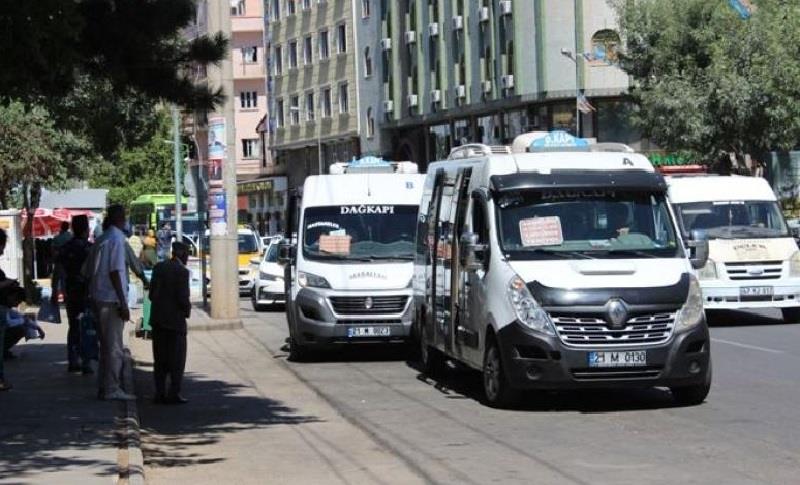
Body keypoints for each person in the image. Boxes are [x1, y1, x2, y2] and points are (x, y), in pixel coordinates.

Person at [89, 204, 136, 401]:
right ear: (121, 218)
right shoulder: (117, 239)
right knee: (115, 347)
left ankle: (104, 386)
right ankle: (112, 388)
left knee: (106, 346)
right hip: (111, 299)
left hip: (99, 297)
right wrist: (123, 303)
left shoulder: (102, 238)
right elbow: (116, 271)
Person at [149, 242, 191, 404]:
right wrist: (186, 311)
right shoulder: (182, 272)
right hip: (175, 322)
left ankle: (159, 393)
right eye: (186, 253)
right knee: (177, 360)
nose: (187, 256)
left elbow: (152, 294)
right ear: (180, 254)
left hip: (158, 320)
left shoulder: (158, 268)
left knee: (159, 359)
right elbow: (183, 298)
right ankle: (174, 393)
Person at [58, 215, 93, 374]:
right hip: (88, 292)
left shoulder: (66, 247)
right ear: (87, 229)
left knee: (73, 326)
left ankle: (73, 360)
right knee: (88, 326)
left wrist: (56, 290)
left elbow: (59, 270)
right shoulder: (91, 248)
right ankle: (86, 361)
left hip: (71, 292)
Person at [2, 287, 45, 357]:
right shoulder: (2, 308)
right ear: (11, 297)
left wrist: (38, 328)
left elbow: (20, 316)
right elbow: (8, 323)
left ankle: (3, 350)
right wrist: (24, 321)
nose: (17, 305)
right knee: (20, 329)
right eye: (18, 301)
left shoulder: (7, 308)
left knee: (22, 324)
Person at [50, 221, 73, 301]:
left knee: (56, 280)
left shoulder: (57, 238)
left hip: (59, 261)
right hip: (69, 263)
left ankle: (54, 296)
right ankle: (66, 296)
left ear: (61, 227)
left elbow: (52, 250)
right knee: (65, 280)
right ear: (68, 227)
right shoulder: (71, 237)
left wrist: (53, 259)